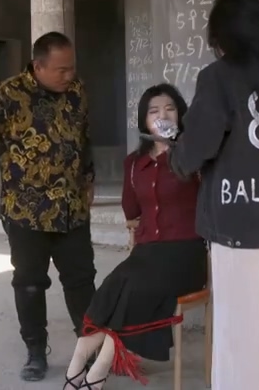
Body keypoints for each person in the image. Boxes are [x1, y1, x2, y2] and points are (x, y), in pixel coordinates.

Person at [164, 0, 259, 390]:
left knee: (233, 333)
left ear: (222, 35)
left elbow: (197, 146)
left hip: (235, 218)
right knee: (258, 323)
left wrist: (176, 156)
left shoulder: (219, 77)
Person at [0, 31, 97, 382]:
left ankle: (91, 347)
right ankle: (35, 350)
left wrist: (89, 178)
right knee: (30, 283)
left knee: (81, 280)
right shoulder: (8, 94)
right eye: (61, 70)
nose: (69, 75)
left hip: (71, 208)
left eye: (72, 68)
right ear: (38, 66)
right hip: (25, 211)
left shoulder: (77, 91)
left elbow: (83, 138)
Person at [61, 83, 207, 390]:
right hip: (147, 254)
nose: (162, 115)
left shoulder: (193, 157)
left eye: (170, 109)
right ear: (144, 120)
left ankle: (98, 370)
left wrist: (180, 146)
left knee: (135, 287)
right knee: (112, 285)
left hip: (186, 254)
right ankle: (79, 359)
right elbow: (131, 210)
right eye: (154, 111)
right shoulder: (133, 164)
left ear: (180, 116)